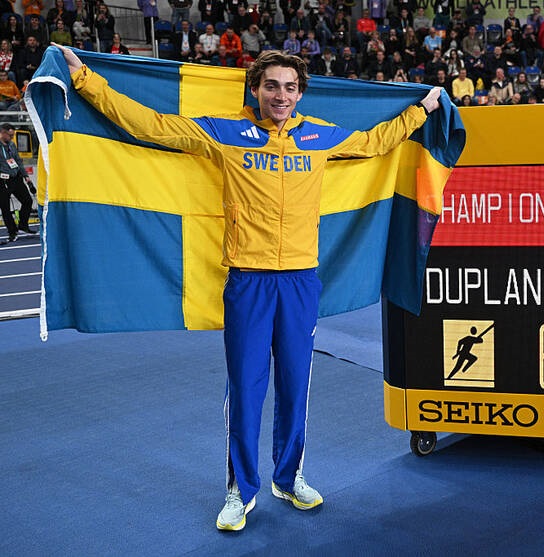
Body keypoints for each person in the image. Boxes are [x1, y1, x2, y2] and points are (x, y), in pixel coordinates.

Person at [51, 43, 441, 531]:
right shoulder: (226, 133)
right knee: (246, 387)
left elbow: (375, 141)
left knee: (296, 385)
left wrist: (421, 111)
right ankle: (239, 490)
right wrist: (86, 79)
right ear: (255, 89)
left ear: (301, 94)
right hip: (248, 281)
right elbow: (152, 126)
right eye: (272, 86)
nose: (281, 95)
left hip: (301, 281)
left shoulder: (319, 137)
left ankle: (289, 477)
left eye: (290, 88)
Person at [0, 123, 35, 245]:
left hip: (16, 178)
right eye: (10, 135)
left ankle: (23, 225)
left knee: (27, 201)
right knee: (5, 207)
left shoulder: (11, 145)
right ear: (3, 132)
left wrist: (26, 176)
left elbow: (18, 161)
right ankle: (12, 231)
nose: (11, 137)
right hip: (3, 180)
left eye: (12, 135)